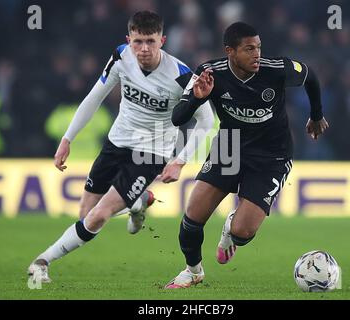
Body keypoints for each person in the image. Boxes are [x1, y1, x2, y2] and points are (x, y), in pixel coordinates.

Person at [27, 11, 214, 283]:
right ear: (129, 39)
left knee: (99, 216)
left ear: (162, 40)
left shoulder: (181, 76)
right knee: (86, 215)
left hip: (151, 153)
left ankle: (41, 262)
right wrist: (68, 138)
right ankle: (138, 201)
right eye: (138, 42)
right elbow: (95, 96)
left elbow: (206, 120)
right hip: (117, 143)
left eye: (150, 41)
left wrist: (180, 160)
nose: (144, 49)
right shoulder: (120, 56)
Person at [165, 22, 329, 288]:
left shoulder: (275, 69)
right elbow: (177, 118)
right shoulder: (209, 73)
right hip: (229, 147)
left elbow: (310, 76)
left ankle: (232, 227)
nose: (257, 54)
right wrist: (197, 97)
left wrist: (317, 115)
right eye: (249, 49)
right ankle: (192, 271)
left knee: (243, 232)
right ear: (230, 51)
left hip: (272, 155)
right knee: (193, 217)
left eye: (259, 47)